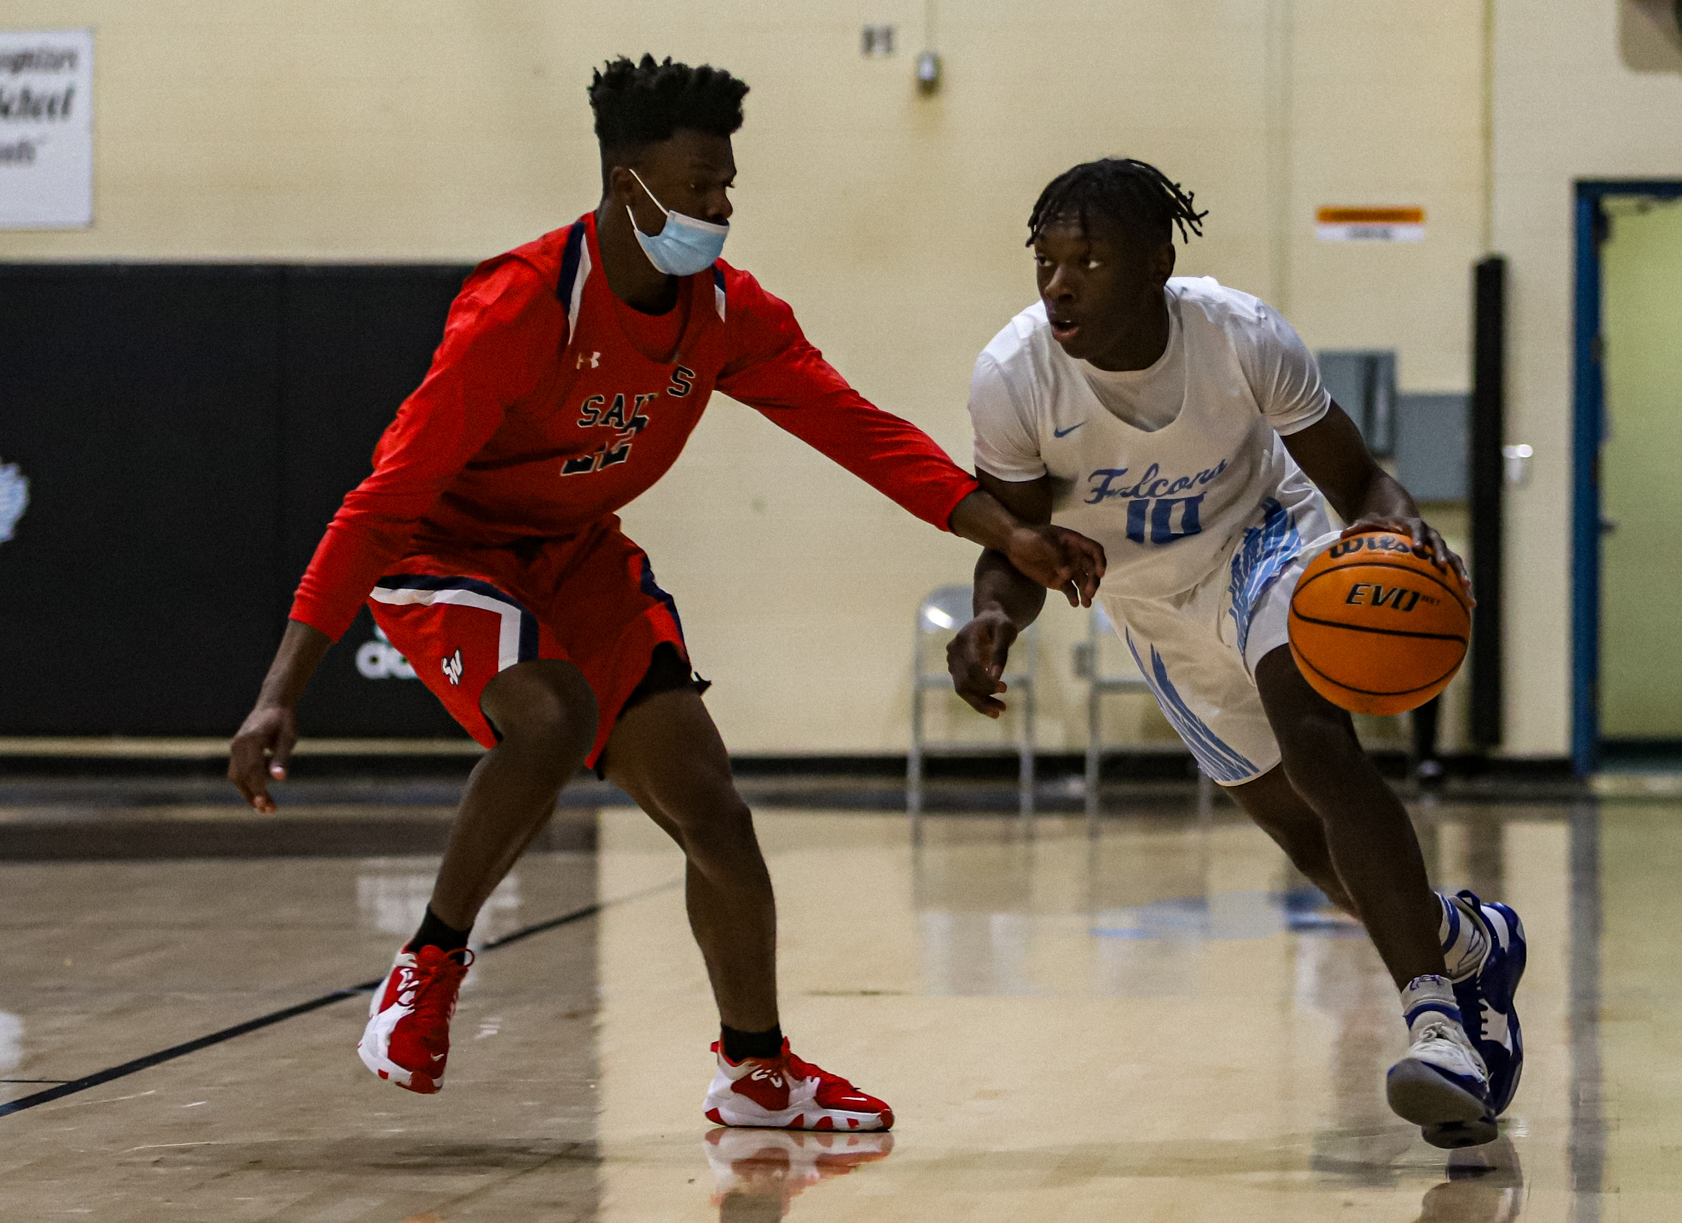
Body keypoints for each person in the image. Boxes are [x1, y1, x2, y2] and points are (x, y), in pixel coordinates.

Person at [226, 55, 1104, 1131]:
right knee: (552, 719)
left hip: (574, 549)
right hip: (448, 550)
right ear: (624, 182)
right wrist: (281, 691)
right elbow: (376, 504)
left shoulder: (726, 314)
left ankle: (754, 1070)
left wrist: (1008, 529)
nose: (719, 206)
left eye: (725, 183)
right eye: (697, 186)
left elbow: (860, 431)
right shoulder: (518, 307)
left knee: (715, 814)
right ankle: (428, 964)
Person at [943, 158, 1525, 1148]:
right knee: (1309, 846)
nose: (1058, 282)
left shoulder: (1237, 333)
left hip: (1269, 540)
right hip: (1150, 605)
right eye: (1046, 259)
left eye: (1087, 258)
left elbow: (1355, 478)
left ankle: (1437, 1021)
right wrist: (992, 616)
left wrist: (1405, 532)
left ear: (1155, 263)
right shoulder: (1012, 375)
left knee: (1315, 738)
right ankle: (1470, 940)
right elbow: (1017, 547)